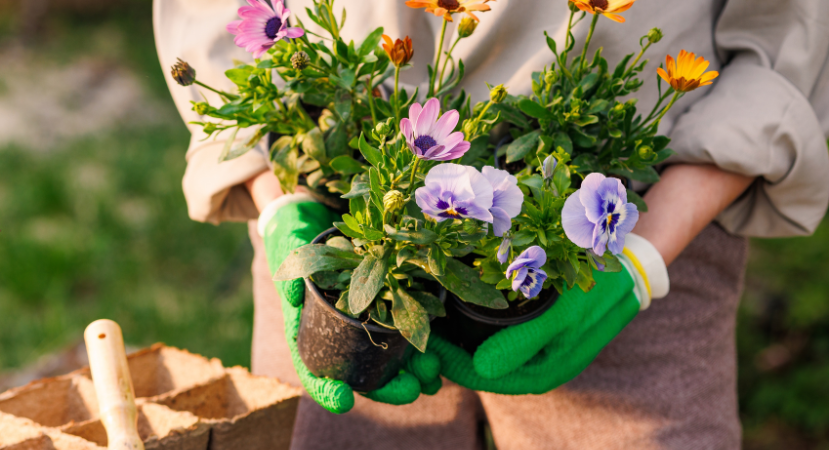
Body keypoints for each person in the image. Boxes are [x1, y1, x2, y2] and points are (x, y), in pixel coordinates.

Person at [153, 0, 829, 448]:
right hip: (340, 206)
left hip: (624, 218)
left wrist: (642, 259)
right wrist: (280, 201)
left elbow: (790, 30)